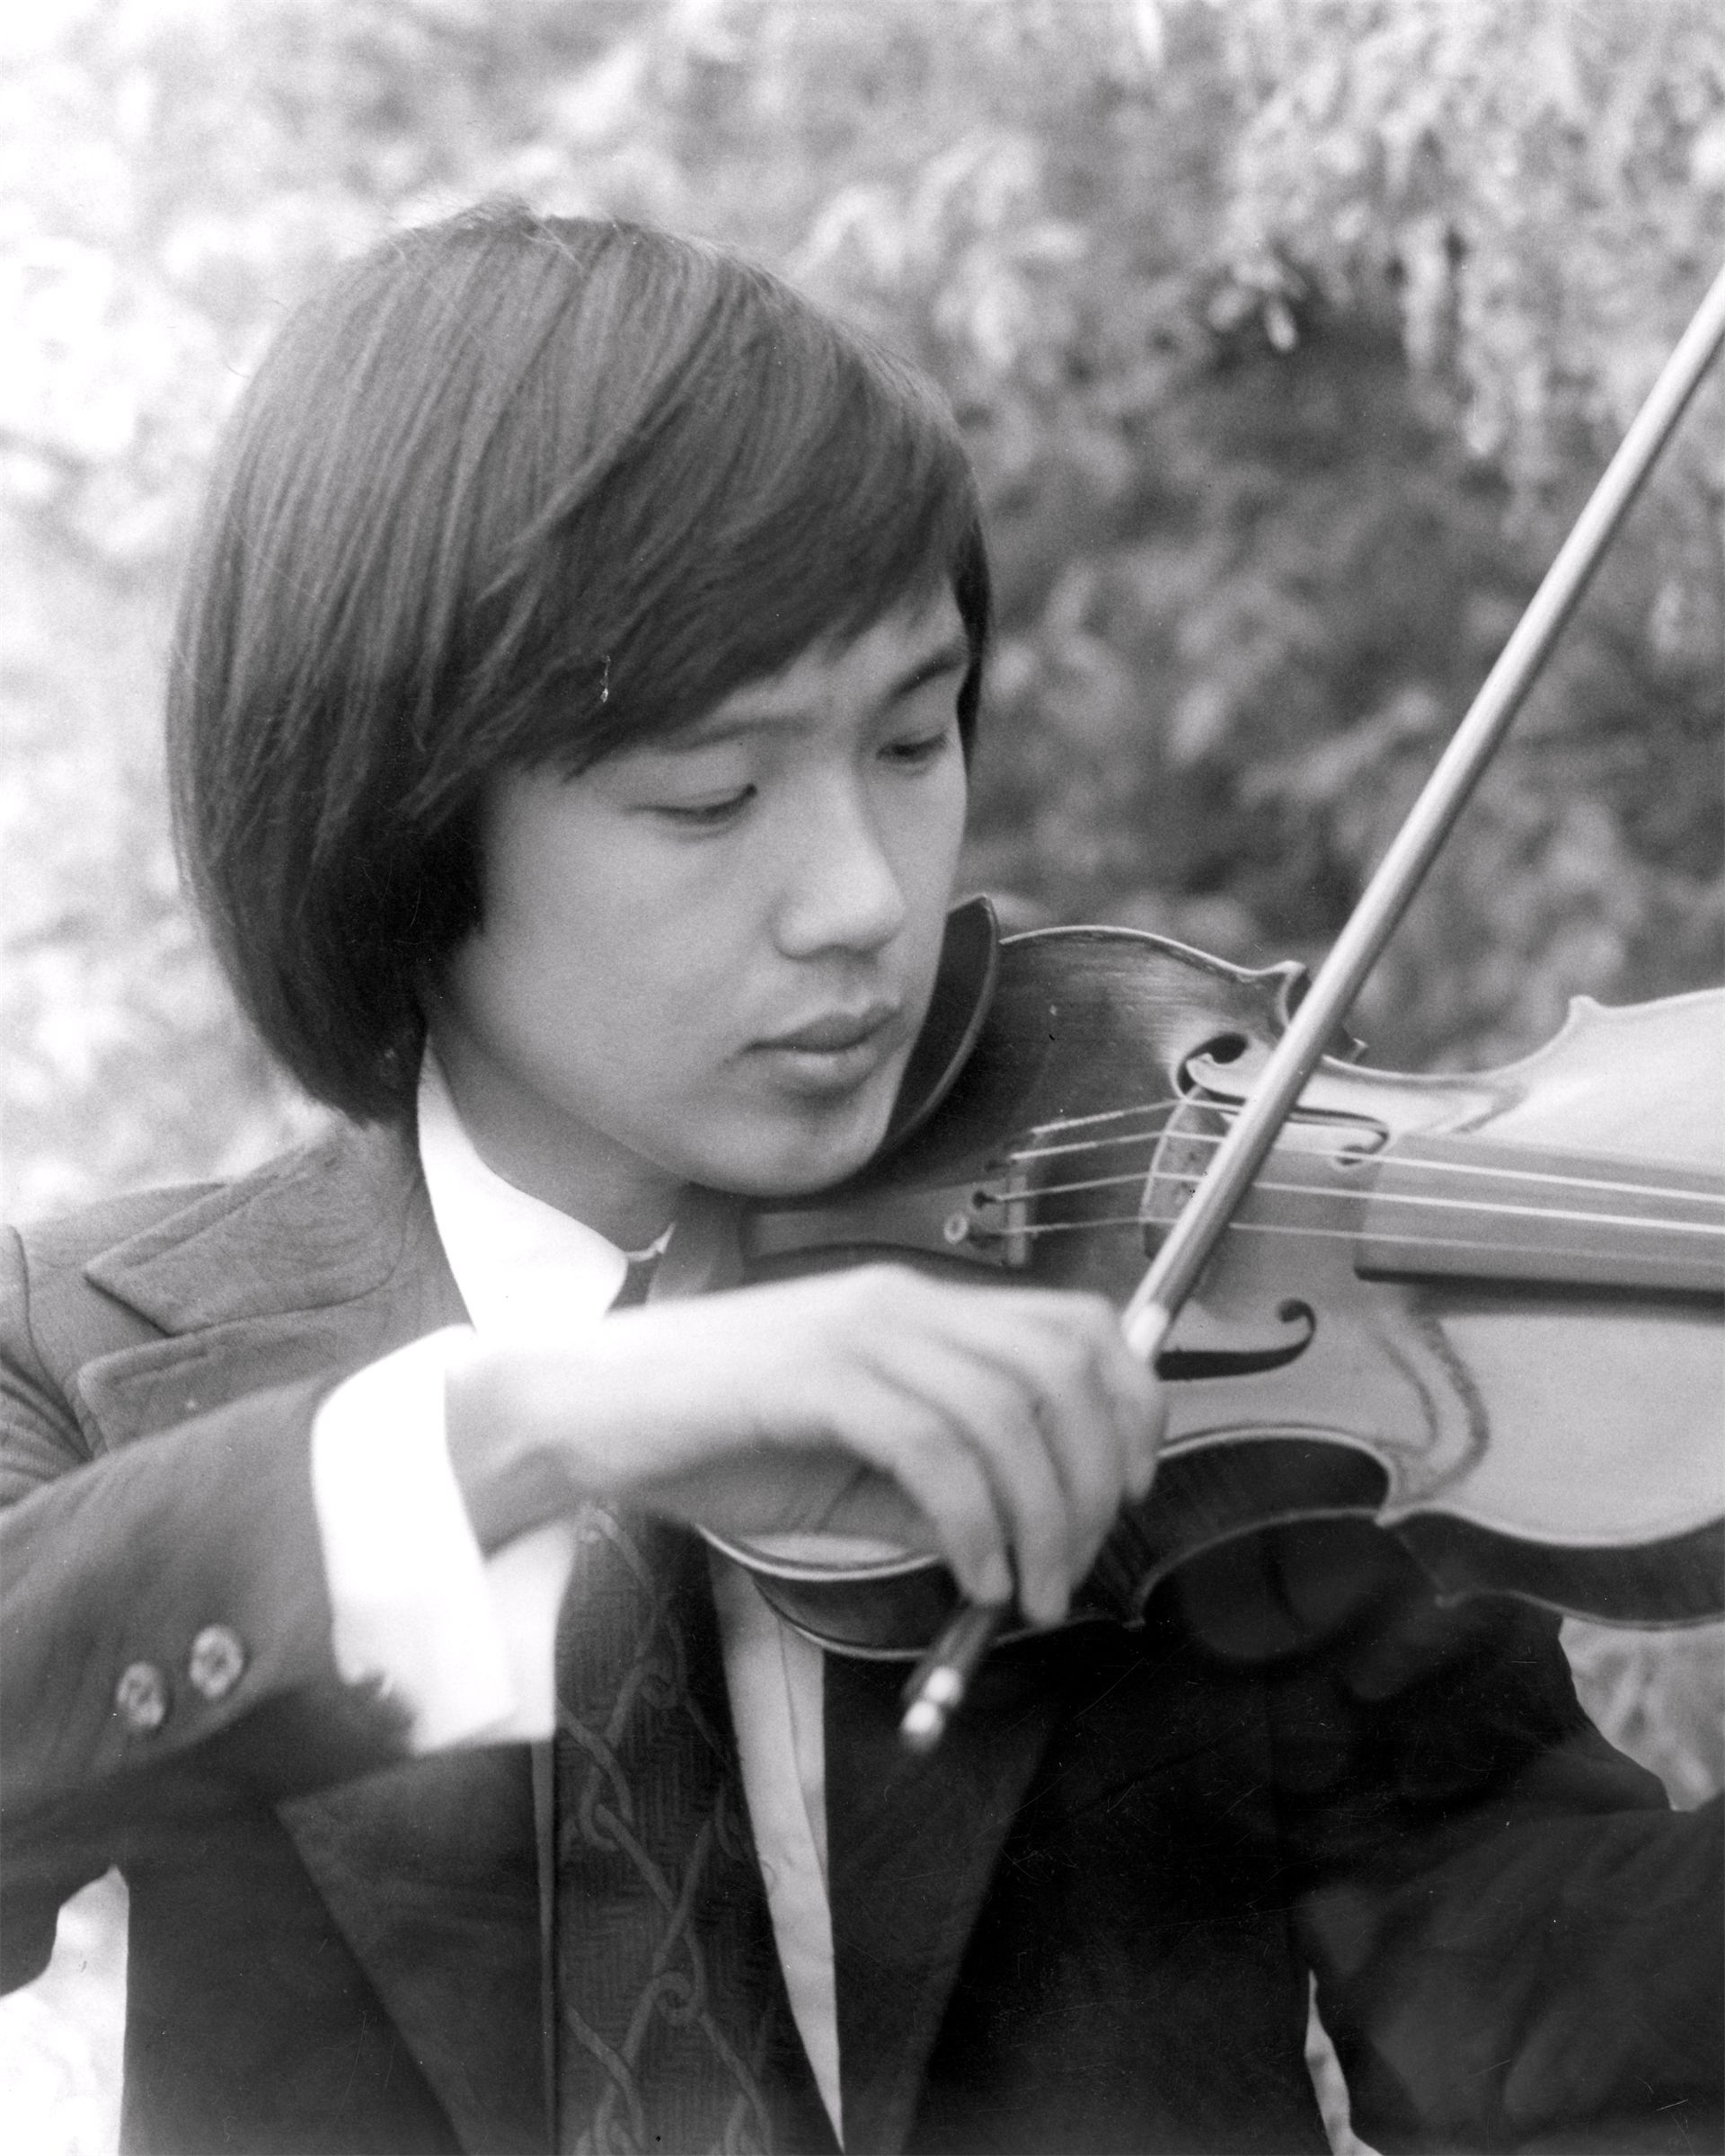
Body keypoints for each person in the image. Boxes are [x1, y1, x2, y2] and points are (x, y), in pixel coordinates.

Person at [1, 204, 1717, 2156]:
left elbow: (1560, 2033)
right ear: (394, 816)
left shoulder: (1184, 1289)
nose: (862, 900)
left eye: (913, 739)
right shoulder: (90, 1352)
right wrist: (541, 1425)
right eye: (712, 797)